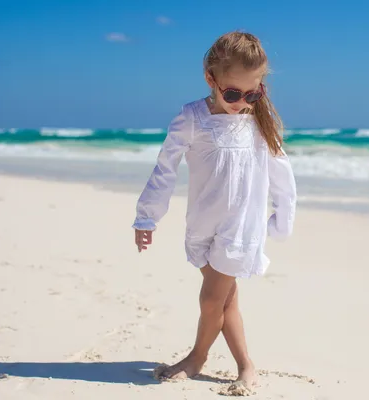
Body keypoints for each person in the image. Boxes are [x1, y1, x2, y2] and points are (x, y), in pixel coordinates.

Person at [132, 31, 297, 392]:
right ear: (211, 78)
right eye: (233, 93)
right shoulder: (192, 117)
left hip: (241, 229)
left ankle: (197, 357)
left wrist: (281, 221)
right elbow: (165, 168)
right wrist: (148, 216)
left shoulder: (258, 121)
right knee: (226, 299)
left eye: (252, 93)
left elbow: (281, 173)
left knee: (211, 299)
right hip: (203, 225)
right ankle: (245, 365)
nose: (242, 102)